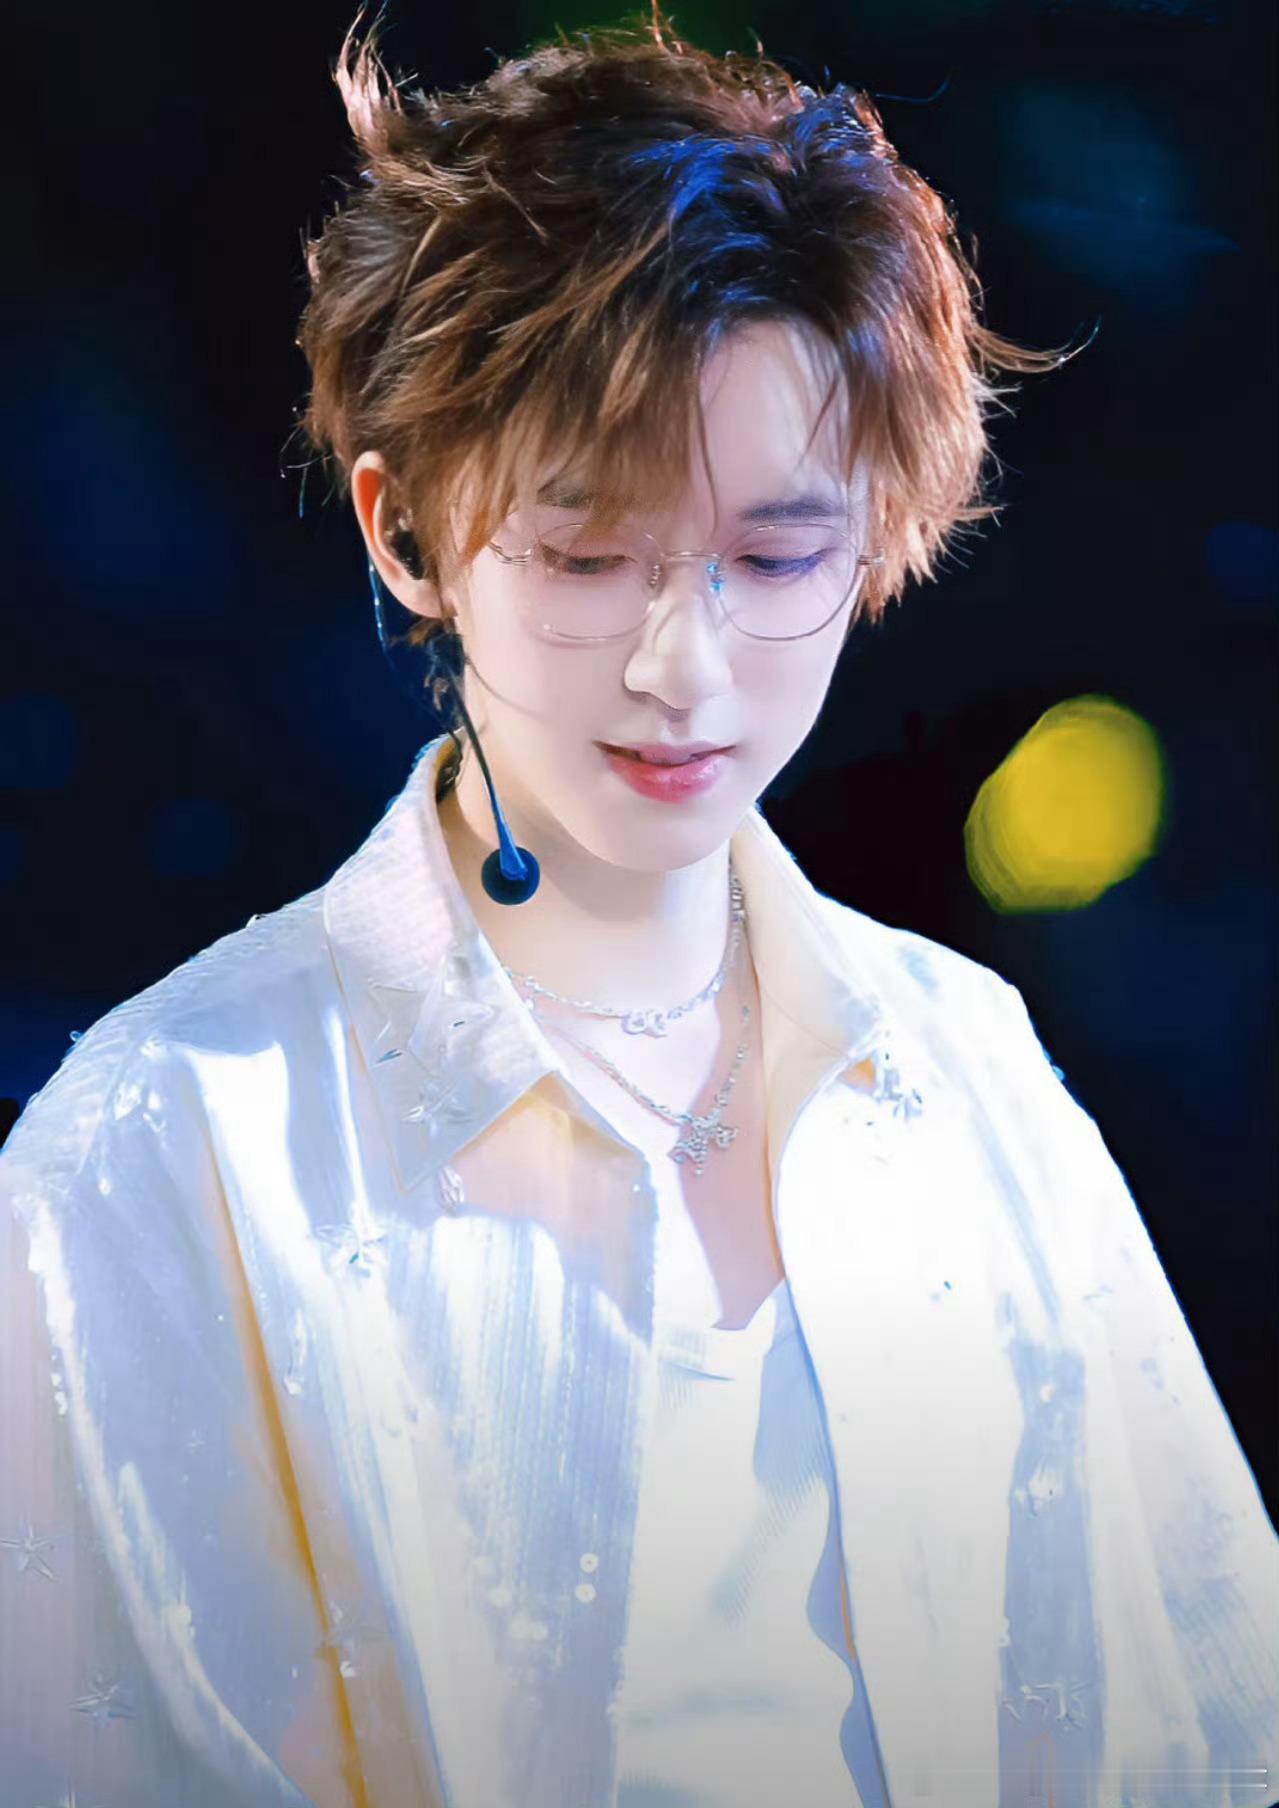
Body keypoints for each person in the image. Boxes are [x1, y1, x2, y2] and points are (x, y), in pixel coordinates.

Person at [1, 9, 1275, 1806]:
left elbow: (1207, 1733)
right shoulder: (170, 1150)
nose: (687, 665)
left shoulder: (971, 1080)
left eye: (775, 556)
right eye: (587, 555)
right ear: (406, 531)